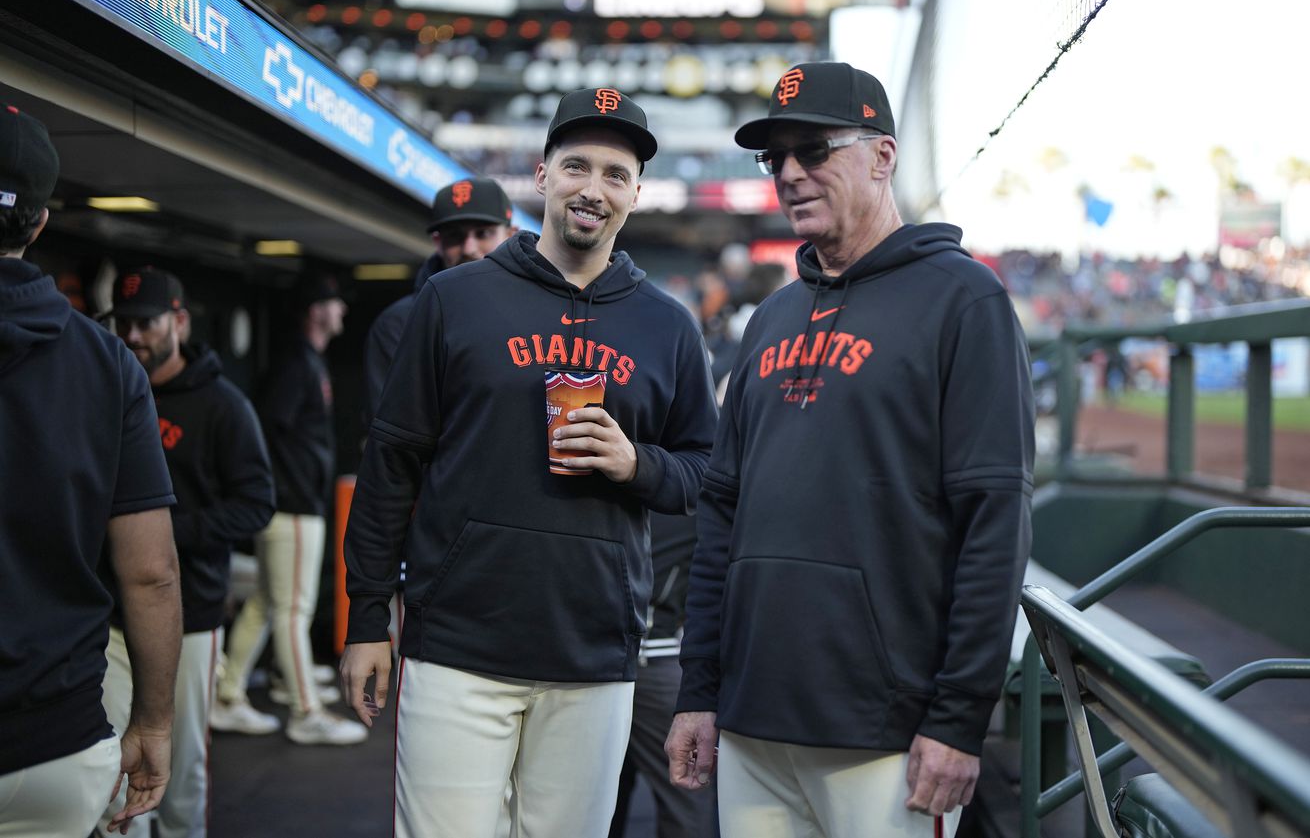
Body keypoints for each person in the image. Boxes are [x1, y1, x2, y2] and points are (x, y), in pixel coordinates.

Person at [665, 62, 1035, 838]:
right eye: (776, 159)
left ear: (882, 155)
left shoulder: (965, 299)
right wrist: (700, 689)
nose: (791, 173)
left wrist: (960, 717)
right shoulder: (768, 318)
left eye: (815, 149)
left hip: (888, 732)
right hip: (752, 720)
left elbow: (993, 520)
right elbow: (721, 516)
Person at [341, 86, 718, 838]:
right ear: (542, 176)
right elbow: (393, 465)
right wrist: (366, 617)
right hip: (457, 646)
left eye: (616, 174)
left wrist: (636, 461)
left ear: (636, 193)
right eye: (577, 166)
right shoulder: (454, 299)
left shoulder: (668, 325)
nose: (594, 188)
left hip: (596, 649)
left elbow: (703, 474)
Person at [0, 104, 182, 836]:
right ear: (40, 223)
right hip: (60, 743)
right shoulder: (110, 365)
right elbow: (151, 572)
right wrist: (154, 720)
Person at [97, 267, 275, 837]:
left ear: (178, 320)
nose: (132, 336)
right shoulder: (106, 391)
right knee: (112, 773)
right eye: (122, 322)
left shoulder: (222, 405)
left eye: (145, 323)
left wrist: (164, 536)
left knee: (180, 774)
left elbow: (255, 504)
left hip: (188, 617)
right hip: (106, 617)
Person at [213, 272, 365, 745]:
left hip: (294, 503)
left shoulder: (307, 361)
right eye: (334, 303)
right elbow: (265, 433)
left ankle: (227, 692)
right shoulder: (294, 364)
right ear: (317, 310)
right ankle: (305, 711)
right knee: (293, 610)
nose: (341, 311)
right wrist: (282, 491)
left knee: (266, 601)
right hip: (291, 506)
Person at [363, 176, 517, 425]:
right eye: (455, 236)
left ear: (511, 235)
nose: (469, 247)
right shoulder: (400, 323)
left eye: (484, 233)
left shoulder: (537, 310)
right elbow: (393, 431)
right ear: (438, 242)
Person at [609, 513, 718, 838]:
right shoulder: (696, 483)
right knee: (688, 792)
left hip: (622, 650)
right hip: (647, 653)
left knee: (601, 796)